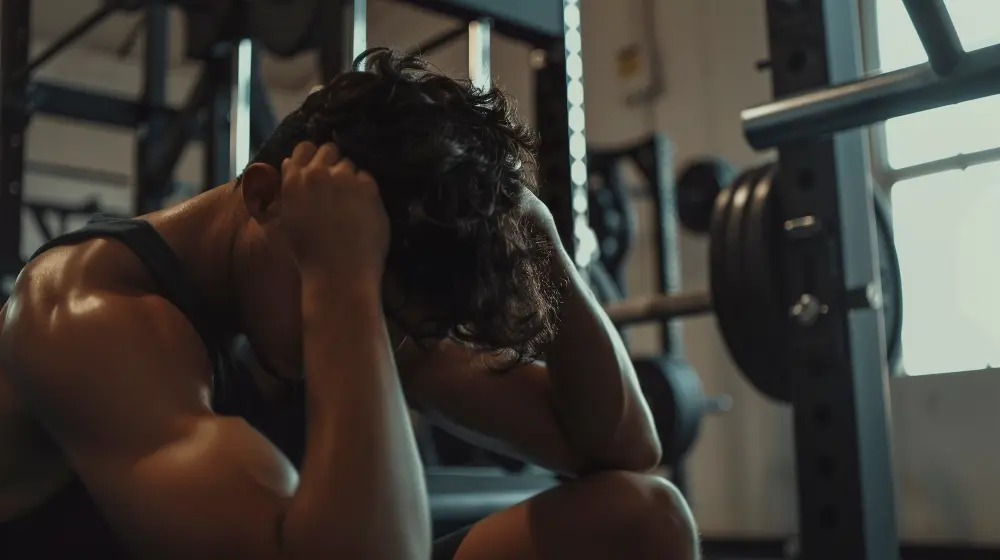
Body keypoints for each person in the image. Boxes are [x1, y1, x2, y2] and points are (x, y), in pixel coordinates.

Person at [0, 48, 698, 559]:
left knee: (642, 520)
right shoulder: (90, 311)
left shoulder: (339, 299)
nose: (382, 335)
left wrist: (542, 243)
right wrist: (341, 277)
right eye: (359, 286)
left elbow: (619, 448)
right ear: (268, 197)